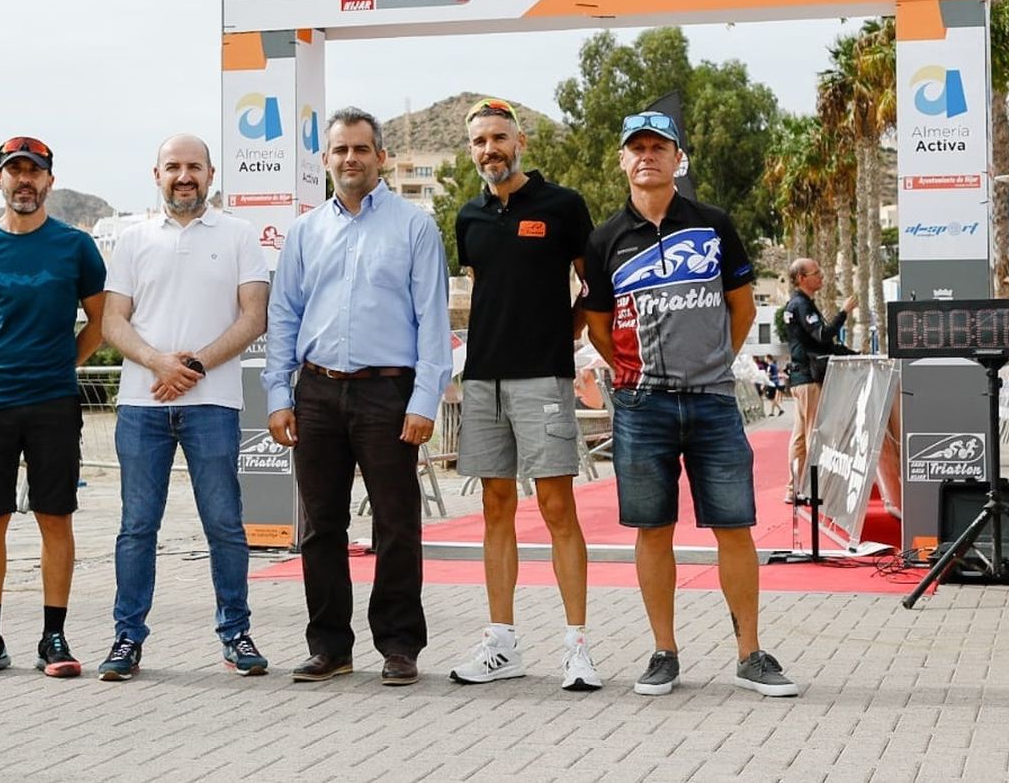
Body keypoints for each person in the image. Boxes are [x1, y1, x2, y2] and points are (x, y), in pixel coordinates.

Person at [581, 110, 800, 699]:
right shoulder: (603, 240)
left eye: (659, 146)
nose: (647, 155)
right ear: (623, 161)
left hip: (712, 402)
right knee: (652, 529)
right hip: (640, 405)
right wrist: (628, 371)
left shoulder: (714, 224)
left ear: (679, 158)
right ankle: (663, 652)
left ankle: (750, 654)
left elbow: (744, 308)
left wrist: (711, 363)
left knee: (735, 527)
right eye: (637, 148)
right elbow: (597, 325)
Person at [262, 106, 452, 688]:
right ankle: (329, 647)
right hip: (316, 391)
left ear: (381, 158)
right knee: (322, 526)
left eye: (361, 150)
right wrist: (278, 392)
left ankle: (398, 646)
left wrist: (423, 401)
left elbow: (432, 320)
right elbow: (284, 314)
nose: (350, 160)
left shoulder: (414, 227)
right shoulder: (305, 231)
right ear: (325, 160)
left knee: (397, 523)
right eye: (340, 150)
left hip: (388, 393)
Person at [95, 134, 271, 682]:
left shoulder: (241, 235)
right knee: (136, 527)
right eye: (173, 167)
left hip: (212, 403)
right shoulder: (131, 239)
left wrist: (191, 367)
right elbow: (112, 321)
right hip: (142, 405)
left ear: (212, 174)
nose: (184, 176)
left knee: (224, 524)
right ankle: (126, 639)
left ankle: (236, 634)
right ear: (157, 175)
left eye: (194, 166)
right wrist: (157, 363)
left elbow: (253, 316)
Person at [448, 96, 600, 691]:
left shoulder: (563, 206)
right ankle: (502, 643)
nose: (491, 149)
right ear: (473, 150)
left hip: (544, 378)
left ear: (521, 143)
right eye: (481, 141)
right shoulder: (468, 216)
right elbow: (485, 289)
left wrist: (562, 334)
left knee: (558, 508)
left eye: (500, 138)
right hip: (483, 378)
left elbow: (593, 285)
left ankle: (577, 647)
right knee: (494, 508)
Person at [0, 136, 107, 679]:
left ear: (49, 182)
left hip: (53, 402)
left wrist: (65, 363)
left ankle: (53, 638)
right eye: (14, 171)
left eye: (34, 172)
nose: (24, 181)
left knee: (53, 517)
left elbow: (100, 322)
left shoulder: (76, 247)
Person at [782, 257, 855, 502]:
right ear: (802, 278)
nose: (821, 276)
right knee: (814, 434)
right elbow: (823, 336)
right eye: (816, 273)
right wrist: (843, 312)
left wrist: (852, 354)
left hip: (801, 377)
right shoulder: (800, 305)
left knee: (801, 437)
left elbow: (822, 343)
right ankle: (814, 488)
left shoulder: (798, 305)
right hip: (808, 378)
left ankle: (795, 488)